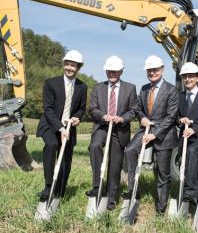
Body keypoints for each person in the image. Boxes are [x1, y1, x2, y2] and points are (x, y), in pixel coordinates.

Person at [123, 55, 179, 214]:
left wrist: (155, 134)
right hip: (146, 128)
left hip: (164, 133)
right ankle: (134, 191)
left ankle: (161, 206)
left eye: (155, 69)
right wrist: (143, 118)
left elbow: (171, 116)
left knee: (163, 172)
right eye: (149, 70)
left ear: (162, 70)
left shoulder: (171, 90)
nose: (152, 73)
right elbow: (138, 108)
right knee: (130, 151)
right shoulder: (144, 88)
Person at [87, 56, 138, 210]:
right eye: (109, 71)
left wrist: (122, 118)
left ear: (121, 71)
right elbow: (92, 108)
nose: (112, 73)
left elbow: (134, 110)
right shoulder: (98, 87)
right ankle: (98, 187)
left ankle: (111, 197)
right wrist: (103, 116)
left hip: (120, 130)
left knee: (115, 165)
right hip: (102, 127)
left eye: (115, 71)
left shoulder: (130, 88)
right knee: (95, 146)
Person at [36, 50, 87, 202]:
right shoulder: (51, 83)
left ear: (79, 68)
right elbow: (48, 109)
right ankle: (48, 185)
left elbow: (81, 108)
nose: (70, 68)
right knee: (51, 145)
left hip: (69, 127)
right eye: (68, 64)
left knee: (66, 158)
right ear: (64, 65)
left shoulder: (82, 87)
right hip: (51, 125)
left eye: (73, 66)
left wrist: (77, 118)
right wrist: (60, 128)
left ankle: (60, 191)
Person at [176, 62, 198, 205]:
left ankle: (189, 192)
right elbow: (174, 117)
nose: (187, 79)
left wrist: (194, 128)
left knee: (192, 151)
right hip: (184, 138)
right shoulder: (180, 96)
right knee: (189, 163)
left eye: (190, 76)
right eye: (185, 77)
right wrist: (180, 120)